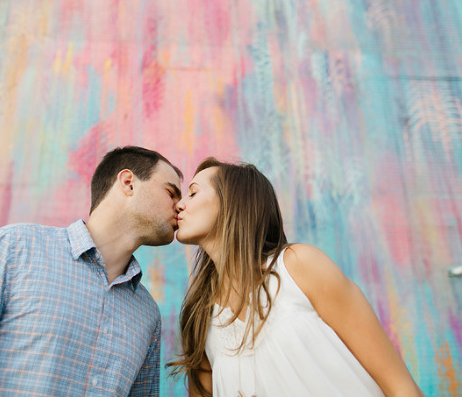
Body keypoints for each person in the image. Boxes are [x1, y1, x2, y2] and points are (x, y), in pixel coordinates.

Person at [0, 146, 183, 397]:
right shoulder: (16, 249)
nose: (181, 206)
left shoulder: (147, 313)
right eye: (171, 192)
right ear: (128, 183)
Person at [169, 157, 423, 397]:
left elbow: (400, 387)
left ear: (234, 202)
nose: (180, 204)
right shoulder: (200, 318)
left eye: (193, 192)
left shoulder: (299, 267)